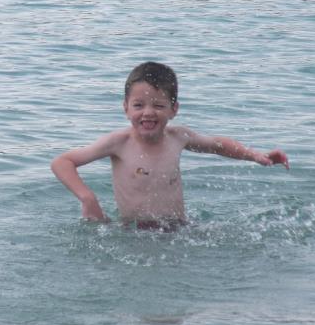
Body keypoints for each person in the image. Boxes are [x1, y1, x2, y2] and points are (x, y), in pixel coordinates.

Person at [51, 61, 289, 230]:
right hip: (133, 232)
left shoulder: (178, 137)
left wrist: (255, 156)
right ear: (125, 108)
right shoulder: (118, 143)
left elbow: (217, 145)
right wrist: (88, 198)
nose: (148, 112)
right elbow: (62, 162)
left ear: (174, 109)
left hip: (179, 228)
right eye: (138, 105)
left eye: (158, 105)